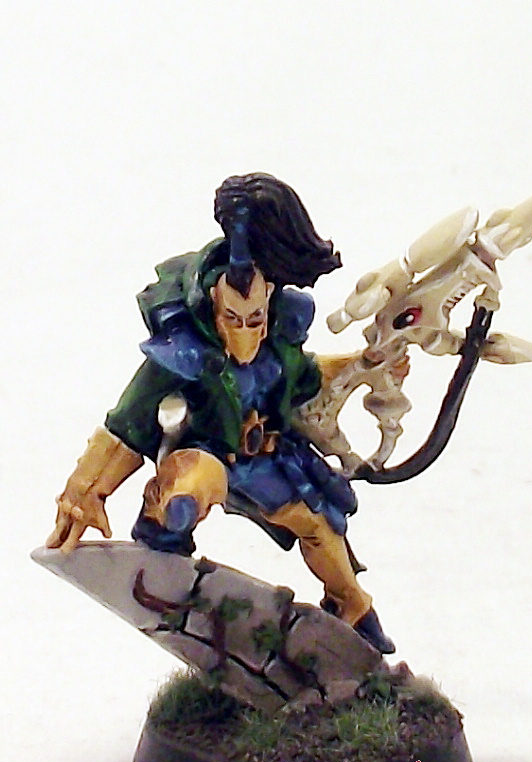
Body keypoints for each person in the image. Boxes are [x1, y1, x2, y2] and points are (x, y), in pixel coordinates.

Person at [46, 173, 394, 654]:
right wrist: (85, 492)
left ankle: (351, 606)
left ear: (269, 303)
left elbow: (310, 376)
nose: (247, 332)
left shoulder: (279, 339)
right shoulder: (184, 350)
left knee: (321, 526)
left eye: (256, 319)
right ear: (214, 305)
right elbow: (125, 426)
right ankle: (162, 541)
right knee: (185, 496)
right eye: (234, 319)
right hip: (206, 457)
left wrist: (364, 363)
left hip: (266, 458)